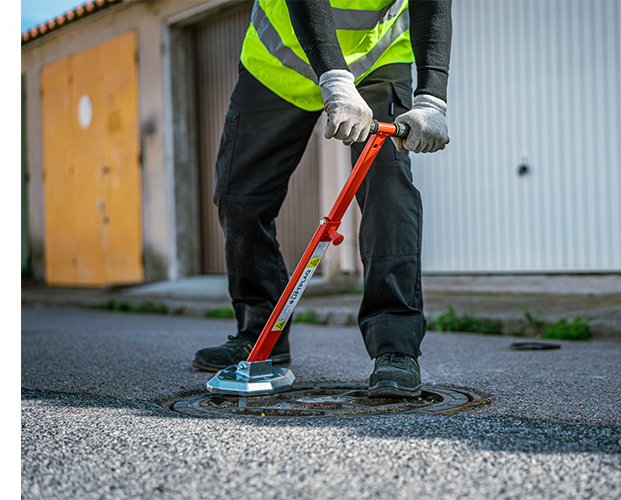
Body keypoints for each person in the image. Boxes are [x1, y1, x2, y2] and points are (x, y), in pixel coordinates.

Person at [192, 0, 452, 397]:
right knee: (240, 197)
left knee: (389, 190)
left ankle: (395, 349)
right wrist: (334, 76)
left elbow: (433, 7)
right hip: (277, 64)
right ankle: (261, 337)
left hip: (375, 62)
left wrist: (432, 99)